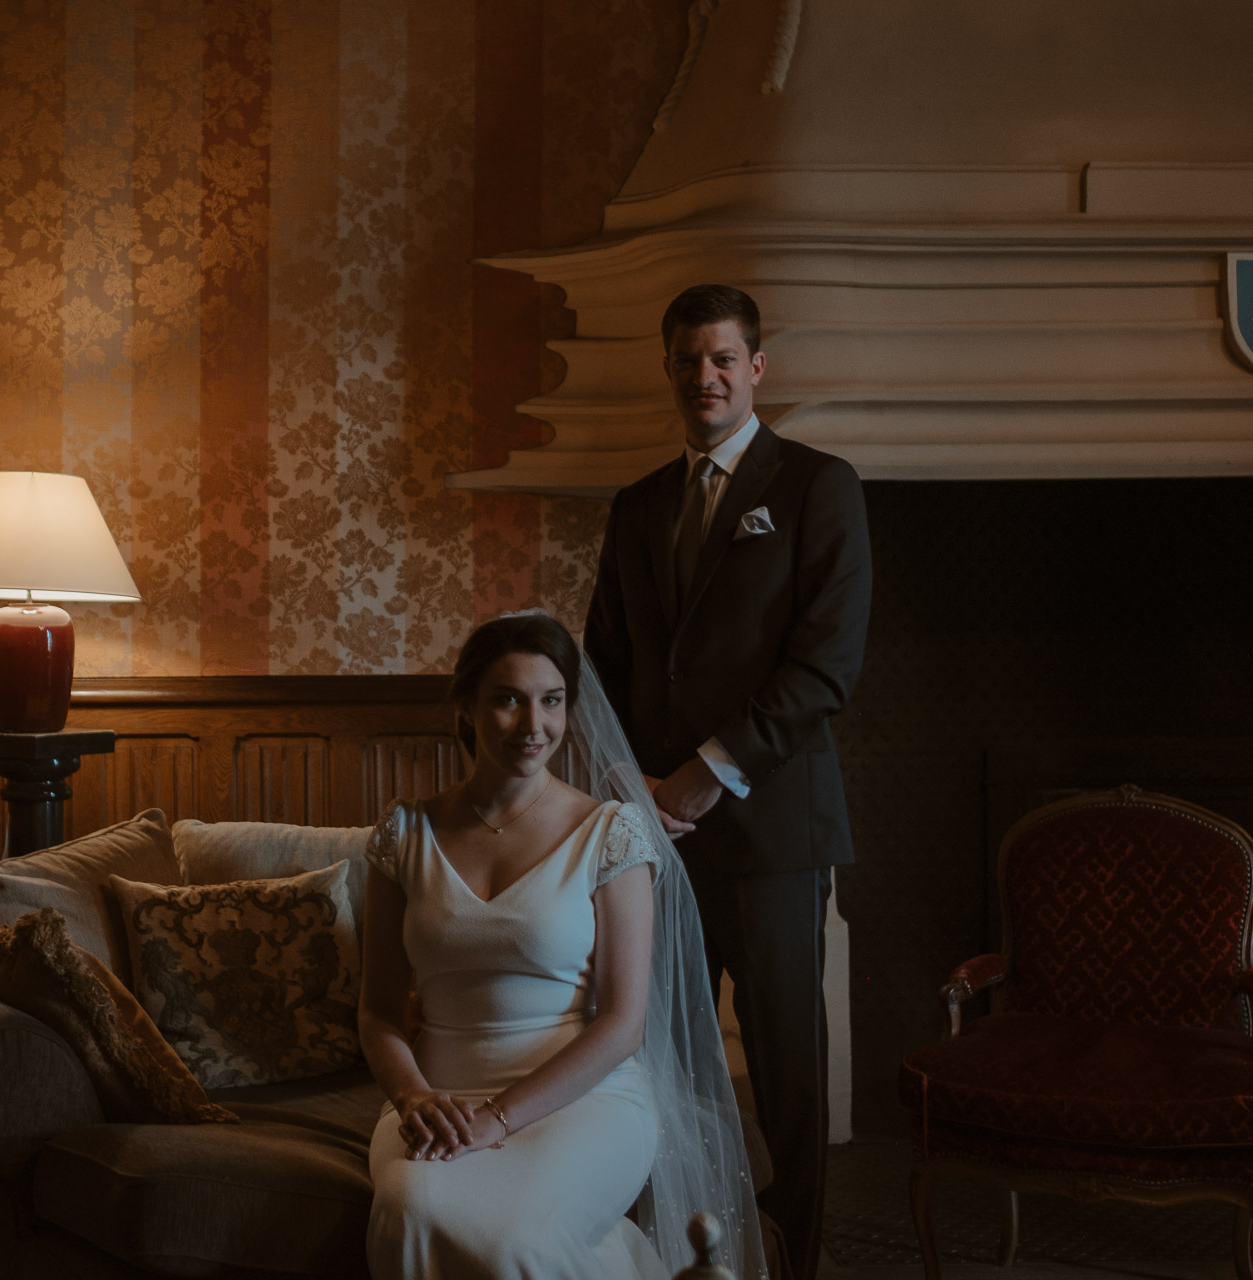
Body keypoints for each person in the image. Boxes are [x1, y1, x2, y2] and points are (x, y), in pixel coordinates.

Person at [583, 284, 872, 1280]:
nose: (701, 377)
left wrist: (707, 775)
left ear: (755, 369)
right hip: (655, 837)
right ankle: (680, 1243)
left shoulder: (816, 486)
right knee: (657, 1057)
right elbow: (604, 666)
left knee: (788, 1070)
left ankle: (790, 1254)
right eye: (685, 361)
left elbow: (824, 664)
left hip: (772, 834)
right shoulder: (637, 506)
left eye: (720, 360)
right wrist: (634, 793)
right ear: (667, 369)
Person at [360, 612, 766, 1280]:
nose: (533, 726)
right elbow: (376, 1012)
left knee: (509, 1242)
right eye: (508, 700)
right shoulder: (404, 835)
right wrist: (413, 1099)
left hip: (582, 1099)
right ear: (466, 705)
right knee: (410, 1207)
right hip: (437, 1099)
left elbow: (622, 1024)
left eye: (551, 702)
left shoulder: (612, 833)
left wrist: (498, 1118)